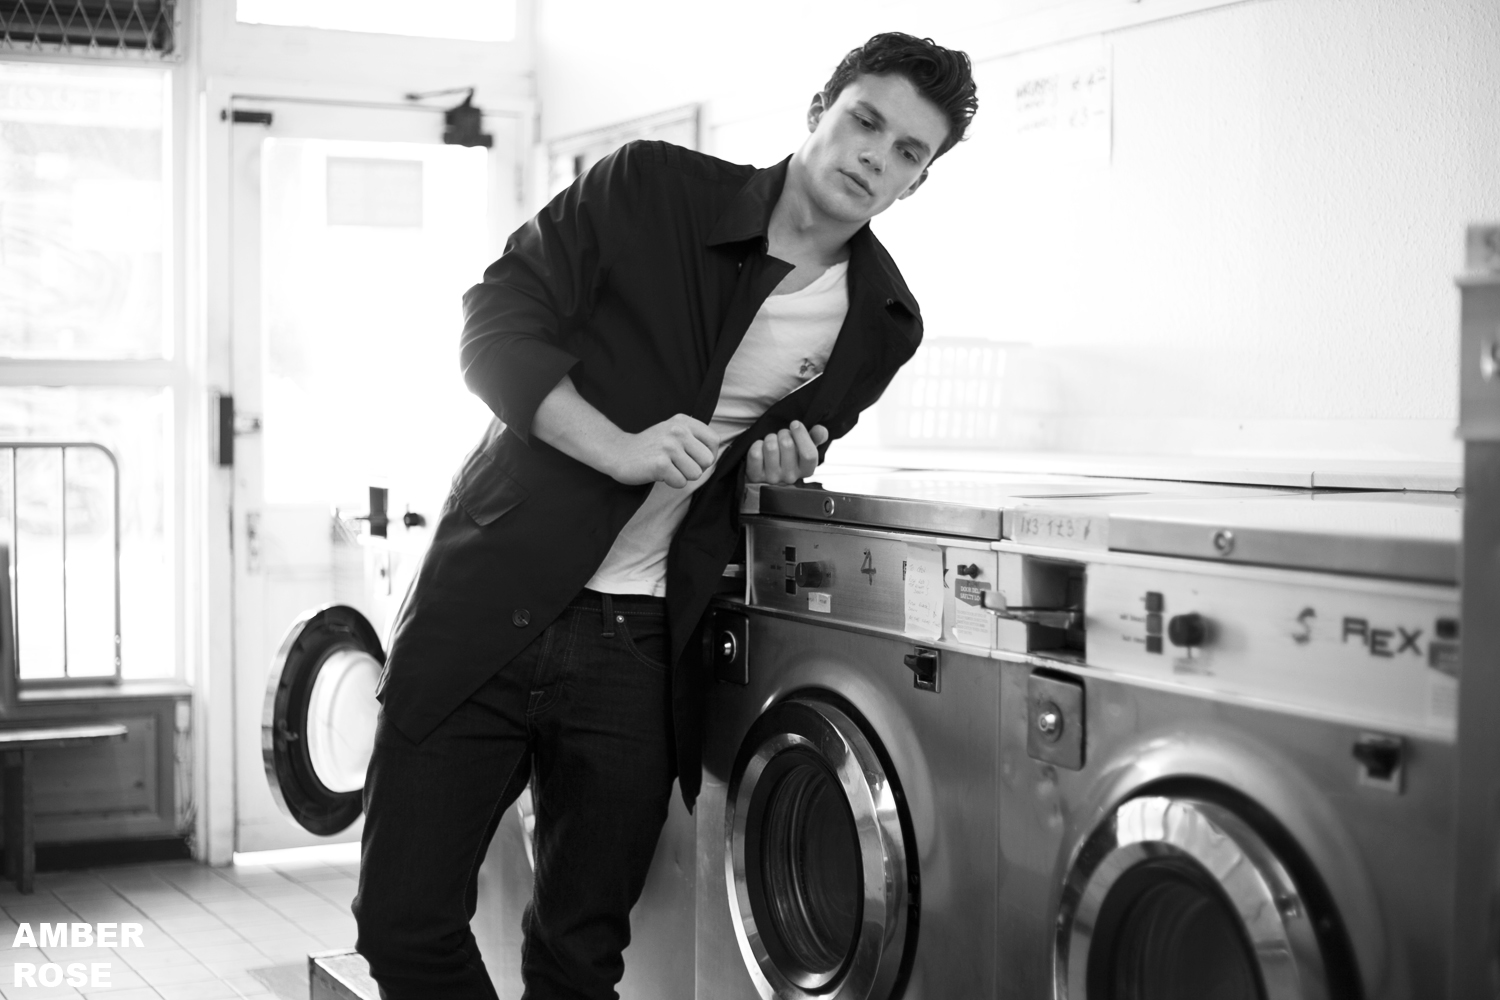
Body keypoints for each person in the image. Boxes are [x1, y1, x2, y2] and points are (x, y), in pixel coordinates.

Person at [353, 31, 979, 1000]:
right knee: (403, 925)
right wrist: (618, 446)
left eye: (907, 153)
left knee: (579, 959)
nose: (875, 157)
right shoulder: (651, 189)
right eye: (866, 122)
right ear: (820, 110)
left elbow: (766, 469)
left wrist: (776, 473)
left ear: (918, 182)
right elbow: (492, 325)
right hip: (492, 595)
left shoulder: (884, 322)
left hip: (640, 642)